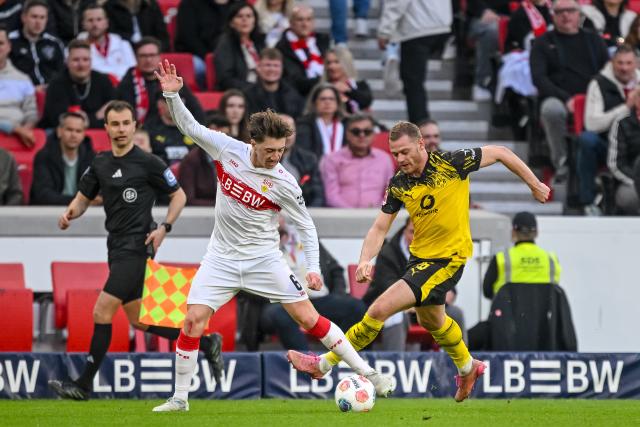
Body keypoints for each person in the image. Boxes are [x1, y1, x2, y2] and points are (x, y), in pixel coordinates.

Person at [151, 60, 393, 412]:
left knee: (309, 319)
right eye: (269, 151)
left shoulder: (283, 181)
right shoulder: (226, 149)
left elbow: (306, 225)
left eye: (280, 151)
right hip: (221, 257)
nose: (275, 157)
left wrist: (313, 267)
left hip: (264, 259)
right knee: (192, 320)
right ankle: (180, 399)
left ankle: (370, 375)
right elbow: (190, 124)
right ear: (252, 143)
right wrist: (172, 94)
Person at [288, 121, 551, 402]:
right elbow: (380, 228)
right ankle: (467, 366)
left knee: (378, 310)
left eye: (404, 152)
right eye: (395, 154)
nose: (400, 159)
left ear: (421, 144)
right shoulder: (399, 183)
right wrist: (366, 259)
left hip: (447, 259)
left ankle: (323, 364)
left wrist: (534, 184)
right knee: (432, 319)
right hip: (419, 260)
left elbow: (500, 152)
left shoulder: (452, 163)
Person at [47, 100, 223, 401]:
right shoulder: (100, 163)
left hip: (138, 247)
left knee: (101, 310)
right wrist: (69, 214)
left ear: (134, 126)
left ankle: (83, 384)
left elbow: (178, 196)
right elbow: (83, 197)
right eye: (114, 124)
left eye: (125, 123)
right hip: (115, 248)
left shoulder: (148, 162)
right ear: (106, 128)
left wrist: (164, 228)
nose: (120, 129)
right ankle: (205, 343)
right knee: (139, 320)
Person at [257, 216, 367, 351]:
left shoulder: (304, 236)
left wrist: (338, 295)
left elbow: (335, 269)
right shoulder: (259, 245)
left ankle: (336, 355)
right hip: (287, 304)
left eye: (277, 214)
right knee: (277, 314)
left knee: (357, 307)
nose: (275, 218)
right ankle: (308, 361)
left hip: (320, 299)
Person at [530, 0, 609, 180]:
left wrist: (595, 95)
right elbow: (539, 78)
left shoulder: (594, 39)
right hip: (558, 97)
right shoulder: (543, 42)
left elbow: (607, 71)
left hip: (593, 96)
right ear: (553, 16)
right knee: (551, 110)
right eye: (560, 12)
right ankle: (561, 161)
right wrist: (566, 99)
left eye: (570, 11)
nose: (566, 15)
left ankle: (608, 162)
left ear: (579, 14)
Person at [579, 44, 640, 215]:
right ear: (612, 63)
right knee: (587, 140)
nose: (624, 68)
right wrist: (625, 108)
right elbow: (591, 124)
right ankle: (587, 201)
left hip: (634, 143)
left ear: (636, 63)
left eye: (629, 63)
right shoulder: (599, 83)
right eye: (620, 63)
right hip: (606, 142)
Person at [378, 0, 451, 124]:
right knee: (414, 81)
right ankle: (422, 123)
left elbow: (397, 3)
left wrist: (385, 31)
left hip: (417, 28)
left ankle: (421, 124)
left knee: (413, 83)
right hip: (441, 24)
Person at [117, 37, 204, 126]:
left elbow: (194, 108)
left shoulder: (172, 78)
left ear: (159, 57)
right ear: (136, 58)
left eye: (152, 55)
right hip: (142, 132)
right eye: (143, 56)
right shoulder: (128, 81)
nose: (148, 60)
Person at [320, 113, 395, 208]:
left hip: (377, 216)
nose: (362, 135)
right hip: (340, 216)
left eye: (367, 131)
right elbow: (331, 196)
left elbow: (390, 194)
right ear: (347, 134)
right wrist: (352, 214)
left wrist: (378, 210)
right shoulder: (332, 159)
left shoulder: (384, 159)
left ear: (373, 135)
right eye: (356, 132)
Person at [361, 218, 414, 351]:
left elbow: (446, 285)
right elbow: (388, 288)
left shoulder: (433, 251)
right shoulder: (388, 252)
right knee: (396, 316)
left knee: (456, 313)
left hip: (422, 305)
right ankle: (395, 364)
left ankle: (462, 368)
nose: (416, 238)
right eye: (412, 232)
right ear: (405, 231)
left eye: (422, 234)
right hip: (389, 304)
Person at [39, 39, 116, 129]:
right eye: (76, 60)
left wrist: (88, 120)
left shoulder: (103, 80)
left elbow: (114, 113)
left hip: (99, 134)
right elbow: (58, 120)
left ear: (91, 62)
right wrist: (96, 117)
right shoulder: (56, 84)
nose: (81, 64)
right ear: (67, 62)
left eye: (85, 59)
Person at [31, 111, 96, 205]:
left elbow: (99, 191)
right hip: (50, 212)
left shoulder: (92, 158)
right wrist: (79, 201)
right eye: (69, 130)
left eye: (78, 131)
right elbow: (42, 194)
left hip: (82, 213)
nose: (73, 135)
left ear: (83, 135)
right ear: (59, 131)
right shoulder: (44, 156)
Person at [275, 4, 330, 97]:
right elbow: (293, 81)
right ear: (291, 23)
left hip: (325, 93)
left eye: (308, 19)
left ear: (313, 22)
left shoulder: (323, 41)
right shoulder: (282, 48)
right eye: (300, 20)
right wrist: (323, 81)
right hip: (298, 97)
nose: (305, 24)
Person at [8, 0, 65, 87]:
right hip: (22, 92)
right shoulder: (10, 41)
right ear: (23, 18)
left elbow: (62, 73)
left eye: (42, 17)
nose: (38, 22)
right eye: (34, 17)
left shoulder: (55, 43)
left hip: (51, 92)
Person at [178, 113, 230, 206]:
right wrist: (221, 205)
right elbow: (188, 199)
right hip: (200, 213)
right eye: (216, 136)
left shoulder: (233, 158)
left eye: (225, 137)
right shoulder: (191, 160)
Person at [0, 24, 38, 148]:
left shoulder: (23, 79)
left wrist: (26, 130)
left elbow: (31, 112)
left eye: (1, 43)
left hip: (19, 140)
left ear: (9, 47)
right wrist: (15, 129)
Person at [77, 3, 137, 81]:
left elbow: (134, 72)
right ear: (83, 24)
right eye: (90, 20)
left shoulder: (123, 45)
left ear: (107, 22)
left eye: (99, 19)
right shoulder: (75, 49)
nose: (95, 24)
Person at [214, 2, 265, 92]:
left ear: (254, 21)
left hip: (262, 90)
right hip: (240, 92)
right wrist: (254, 89)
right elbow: (225, 79)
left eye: (249, 16)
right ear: (231, 23)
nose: (245, 19)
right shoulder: (225, 43)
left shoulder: (260, 42)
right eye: (239, 16)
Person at [466, 0, 511, 101]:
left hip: (515, 13)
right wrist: (483, 11)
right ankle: (482, 82)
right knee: (492, 31)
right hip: (481, 16)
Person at [243, 47, 304, 119]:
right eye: (268, 65)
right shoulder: (247, 95)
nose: (272, 69)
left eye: (276, 65)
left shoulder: (294, 95)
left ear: (282, 69)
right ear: (258, 67)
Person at [279, 114, 324, 207]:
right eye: (281, 131)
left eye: (291, 131)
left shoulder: (309, 159)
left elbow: (318, 196)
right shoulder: (257, 159)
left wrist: (306, 217)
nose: (287, 136)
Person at [607, 93, 640, 214]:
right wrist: (637, 181)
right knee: (629, 198)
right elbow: (615, 164)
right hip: (630, 180)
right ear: (635, 100)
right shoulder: (622, 122)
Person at [295, 83, 346, 159]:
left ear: (338, 103)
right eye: (323, 99)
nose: (327, 102)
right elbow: (304, 153)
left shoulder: (347, 123)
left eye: (331, 99)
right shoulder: (304, 124)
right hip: (315, 168)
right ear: (314, 103)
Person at [144, 91, 195, 165]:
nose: (174, 105)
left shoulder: (192, 128)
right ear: (160, 104)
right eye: (169, 101)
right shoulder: (150, 128)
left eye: (178, 101)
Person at [322, 47, 373, 115]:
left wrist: (347, 91)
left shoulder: (360, 85)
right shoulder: (321, 87)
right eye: (328, 63)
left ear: (346, 64)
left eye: (336, 62)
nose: (331, 66)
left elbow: (366, 101)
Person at [103, 0, 170, 52]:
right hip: (123, 51)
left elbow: (162, 34)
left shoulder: (150, 5)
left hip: (151, 50)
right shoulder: (110, 6)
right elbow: (112, 34)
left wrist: (156, 49)